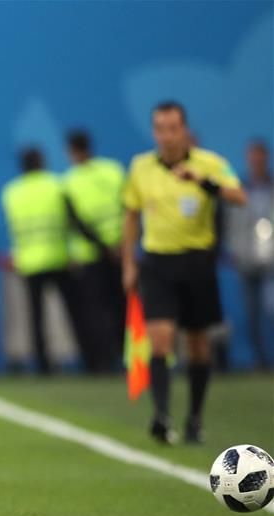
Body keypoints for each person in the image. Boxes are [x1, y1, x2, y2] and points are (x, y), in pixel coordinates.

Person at [122, 101, 245, 444]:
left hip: (197, 262)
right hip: (158, 261)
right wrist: (129, 263)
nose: (167, 135)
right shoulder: (140, 167)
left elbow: (239, 196)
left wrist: (205, 182)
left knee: (197, 345)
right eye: (160, 128)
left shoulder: (210, 163)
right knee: (159, 339)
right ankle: (161, 416)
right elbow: (131, 214)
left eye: (173, 128)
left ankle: (194, 418)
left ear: (184, 130)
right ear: (154, 131)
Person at [2, 147, 89, 375]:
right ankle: (89, 359)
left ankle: (43, 365)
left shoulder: (12, 192)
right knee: (75, 312)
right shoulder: (56, 185)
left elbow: (15, 228)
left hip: (29, 261)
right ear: (41, 162)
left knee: (36, 317)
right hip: (59, 257)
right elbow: (72, 222)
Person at [63, 130, 126, 372]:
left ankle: (103, 361)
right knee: (119, 306)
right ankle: (124, 356)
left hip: (90, 256)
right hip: (119, 251)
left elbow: (75, 220)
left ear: (71, 151)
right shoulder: (114, 170)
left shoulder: (69, 181)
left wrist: (101, 247)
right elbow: (129, 207)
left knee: (97, 311)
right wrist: (120, 244)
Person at [226, 139, 273, 369]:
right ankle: (260, 359)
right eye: (253, 157)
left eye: (260, 157)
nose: (257, 162)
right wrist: (235, 251)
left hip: (272, 262)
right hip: (246, 260)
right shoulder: (239, 188)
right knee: (251, 315)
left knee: (271, 310)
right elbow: (231, 224)